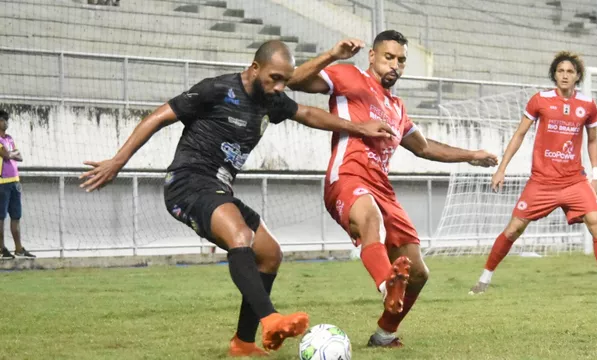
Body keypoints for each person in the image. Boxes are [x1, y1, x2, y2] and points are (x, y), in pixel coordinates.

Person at [79, 40, 394, 356]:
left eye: (286, 79)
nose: (280, 86)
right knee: (240, 236)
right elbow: (159, 116)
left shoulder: (272, 99)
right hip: (187, 183)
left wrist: (359, 127)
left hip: (218, 191)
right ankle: (270, 319)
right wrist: (117, 161)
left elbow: (309, 114)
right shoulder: (216, 90)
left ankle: (243, 343)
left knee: (270, 254)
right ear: (255, 68)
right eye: (274, 78)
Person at [286, 31, 499, 347]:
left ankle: (384, 334)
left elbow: (425, 148)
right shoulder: (349, 76)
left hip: (383, 189)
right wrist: (333, 54)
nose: (395, 65)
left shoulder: (397, 108)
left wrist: (472, 156)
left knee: (419, 274)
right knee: (370, 218)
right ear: (372, 56)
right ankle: (388, 285)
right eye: (389, 57)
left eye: (401, 60)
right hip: (348, 177)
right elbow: (294, 81)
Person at [468, 51, 597, 296]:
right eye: (560, 71)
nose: (564, 75)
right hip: (541, 182)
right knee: (514, 229)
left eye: (570, 71)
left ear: (577, 76)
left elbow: (592, 141)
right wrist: (501, 169)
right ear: (554, 74)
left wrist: (596, 175)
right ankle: (483, 280)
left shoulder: (588, 106)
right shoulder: (540, 100)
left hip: (574, 181)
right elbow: (519, 135)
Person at [0, 110, 34, 260]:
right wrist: (11, 154)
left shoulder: (9, 138)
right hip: (2, 182)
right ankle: (1, 249)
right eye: (2, 120)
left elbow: (19, 156)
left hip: (15, 181)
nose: (6, 122)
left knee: (16, 216)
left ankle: (18, 248)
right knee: (0, 217)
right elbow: (6, 155)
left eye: (6, 120)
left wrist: (11, 154)